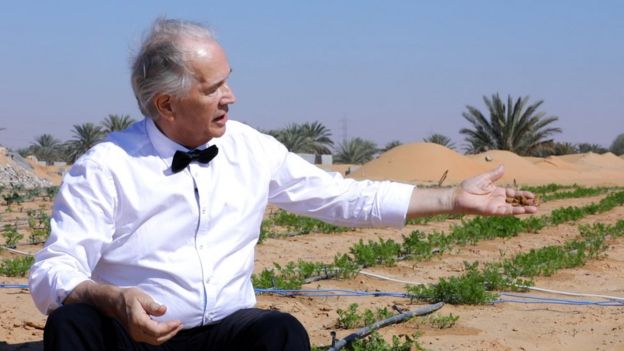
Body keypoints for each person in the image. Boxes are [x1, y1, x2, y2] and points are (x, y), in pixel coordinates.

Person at [28, 18, 538, 351]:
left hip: (224, 332)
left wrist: (452, 198)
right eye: (213, 88)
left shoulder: (252, 149)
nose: (231, 95)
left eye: (228, 79)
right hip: (135, 336)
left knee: (280, 332)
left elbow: (345, 197)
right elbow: (54, 268)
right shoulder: (106, 166)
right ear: (166, 104)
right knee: (72, 325)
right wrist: (110, 298)